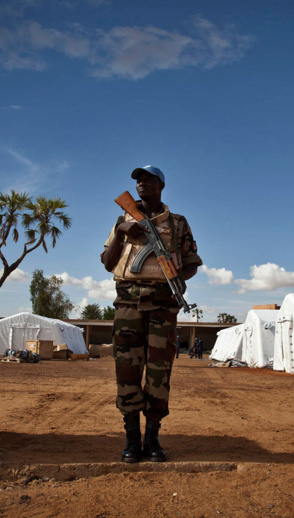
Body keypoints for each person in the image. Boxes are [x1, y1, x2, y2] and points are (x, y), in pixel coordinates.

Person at [101, 165, 202, 463]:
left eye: (148, 180)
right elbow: (108, 263)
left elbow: (193, 263)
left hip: (162, 307)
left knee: (159, 374)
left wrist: (176, 279)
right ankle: (132, 438)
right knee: (127, 372)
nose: (142, 184)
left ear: (162, 185)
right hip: (128, 305)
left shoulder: (178, 223)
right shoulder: (123, 218)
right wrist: (121, 232)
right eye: (138, 180)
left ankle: (153, 438)